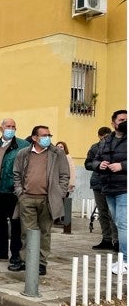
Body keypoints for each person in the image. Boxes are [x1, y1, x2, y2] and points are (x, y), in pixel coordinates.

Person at [9, 126, 69, 276]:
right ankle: (25, 261)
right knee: (27, 232)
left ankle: (41, 263)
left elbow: (64, 175)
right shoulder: (24, 153)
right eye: (43, 135)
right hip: (27, 198)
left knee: (44, 232)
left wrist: (59, 194)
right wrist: (20, 193)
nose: (47, 137)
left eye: (49, 135)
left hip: (47, 199)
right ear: (34, 138)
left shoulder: (57, 153)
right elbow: (16, 174)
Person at [0, 118, 29, 266]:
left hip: (13, 191)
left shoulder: (23, 145)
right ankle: (1, 249)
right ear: (1, 129)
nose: (11, 129)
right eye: (8, 126)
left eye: (13, 126)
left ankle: (16, 253)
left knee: (15, 223)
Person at [93, 110, 127, 274]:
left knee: (123, 224)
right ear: (113, 123)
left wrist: (122, 166)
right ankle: (122, 259)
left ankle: (126, 260)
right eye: (121, 119)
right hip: (108, 186)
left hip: (125, 187)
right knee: (117, 222)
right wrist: (100, 165)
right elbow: (94, 160)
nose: (125, 122)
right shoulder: (106, 141)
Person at [84, 127, 118, 251]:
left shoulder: (118, 146)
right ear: (99, 137)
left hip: (113, 183)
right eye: (103, 137)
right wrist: (98, 165)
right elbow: (87, 164)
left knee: (113, 213)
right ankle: (106, 239)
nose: (105, 139)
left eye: (107, 137)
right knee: (103, 213)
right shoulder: (94, 148)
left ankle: (117, 240)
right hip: (98, 183)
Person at [53, 141, 76, 225]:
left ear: (65, 148)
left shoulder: (67, 157)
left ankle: (64, 219)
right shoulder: (54, 157)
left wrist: (71, 183)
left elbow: (72, 170)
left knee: (64, 201)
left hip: (65, 184)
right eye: (58, 146)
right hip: (55, 184)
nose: (59, 148)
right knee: (56, 201)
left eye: (61, 147)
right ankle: (56, 219)